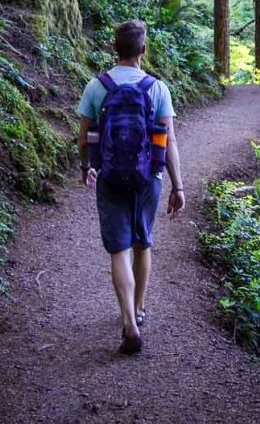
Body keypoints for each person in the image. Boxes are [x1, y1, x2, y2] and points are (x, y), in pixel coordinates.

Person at [77, 20, 185, 355]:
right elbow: (166, 142)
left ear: (114, 48)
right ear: (143, 49)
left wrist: (87, 167)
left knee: (119, 250)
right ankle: (139, 308)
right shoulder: (157, 88)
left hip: (109, 177)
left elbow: (85, 137)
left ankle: (129, 323)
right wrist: (177, 186)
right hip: (147, 178)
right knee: (142, 244)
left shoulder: (97, 87)